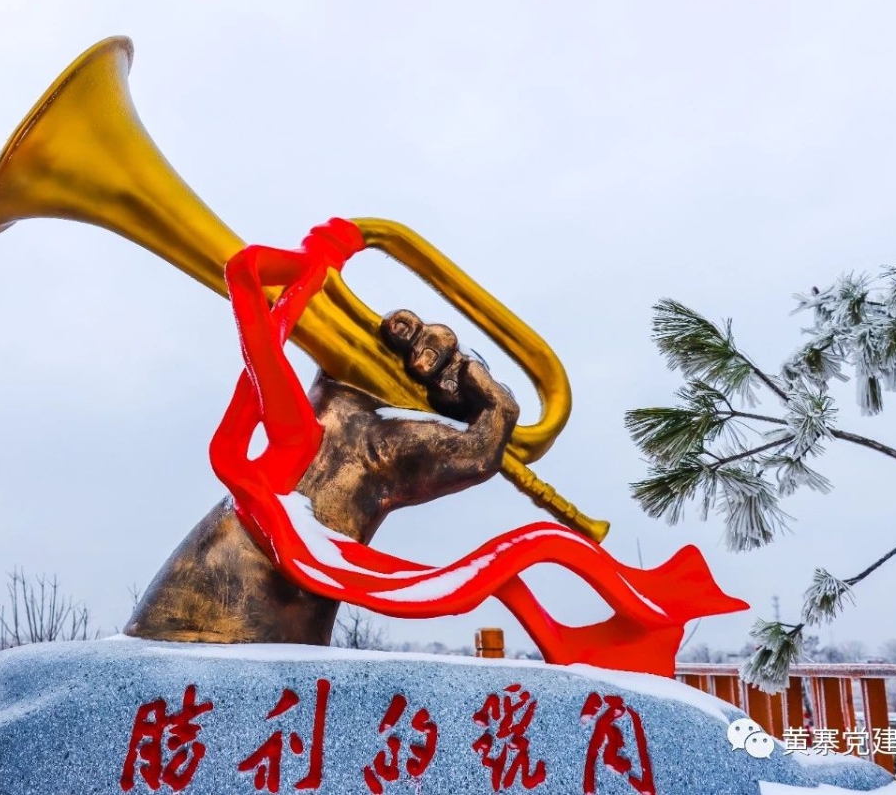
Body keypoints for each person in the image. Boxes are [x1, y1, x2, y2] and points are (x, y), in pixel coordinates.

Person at [125, 219, 745, 675]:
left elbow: (251, 299)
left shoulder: (333, 443)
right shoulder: (307, 434)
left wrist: (317, 269)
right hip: (228, 617)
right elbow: (251, 299)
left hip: (258, 619)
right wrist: (320, 264)